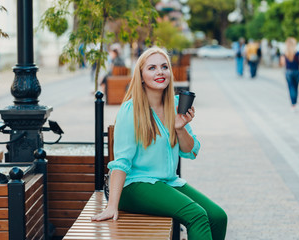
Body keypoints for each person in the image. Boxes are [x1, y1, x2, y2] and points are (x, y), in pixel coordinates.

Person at [91, 47, 228, 240]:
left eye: (164, 67)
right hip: (134, 185)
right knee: (197, 216)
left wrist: (180, 128)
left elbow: (191, 151)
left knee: (217, 216)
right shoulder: (131, 110)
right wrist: (112, 206)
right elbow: (121, 162)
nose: (160, 72)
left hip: (167, 182)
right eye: (152, 68)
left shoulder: (176, 104)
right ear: (141, 76)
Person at [281, 37, 299, 111]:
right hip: (296, 71)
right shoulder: (297, 53)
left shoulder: (285, 53)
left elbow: (282, 63)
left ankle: (293, 103)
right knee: (296, 87)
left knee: (291, 87)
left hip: (288, 72)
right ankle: (295, 101)